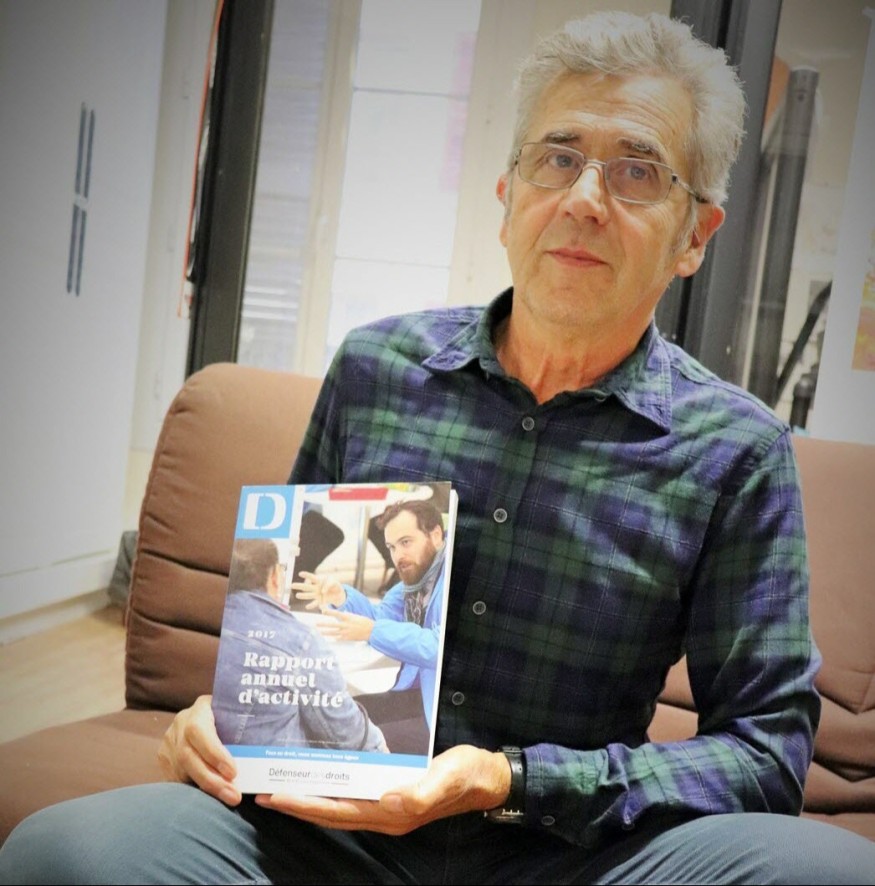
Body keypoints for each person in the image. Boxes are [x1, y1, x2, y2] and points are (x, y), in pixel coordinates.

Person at [2, 10, 874, 884]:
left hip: (570, 855)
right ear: (507, 198)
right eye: (556, 158)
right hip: (326, 836)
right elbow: (287, 631)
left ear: (694, 237)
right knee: (59, 854)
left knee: (827, 873)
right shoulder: (376, 370)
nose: (582, 200)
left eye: (637, 171)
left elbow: (765, 754)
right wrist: (220, 716)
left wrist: (512, 780)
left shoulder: (733, 450)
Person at [292, 498, 449, 755]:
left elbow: (438, 647)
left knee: (351, 742)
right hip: (415, 695)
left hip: (442, 715)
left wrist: (372, 631)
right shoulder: (414, 581)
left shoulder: (453, 577)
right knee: (332, 718)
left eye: (406, 542)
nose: (398, 556)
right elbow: (380, 619)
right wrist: (341, 597)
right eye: (392, 547)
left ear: (436, 535)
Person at [211, 537, 388, 754]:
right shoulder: (300, 642)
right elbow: (349, 736)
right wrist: (379, 745)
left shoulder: (209, 624)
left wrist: (344, 598)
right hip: (280, 768)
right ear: (275, 577)